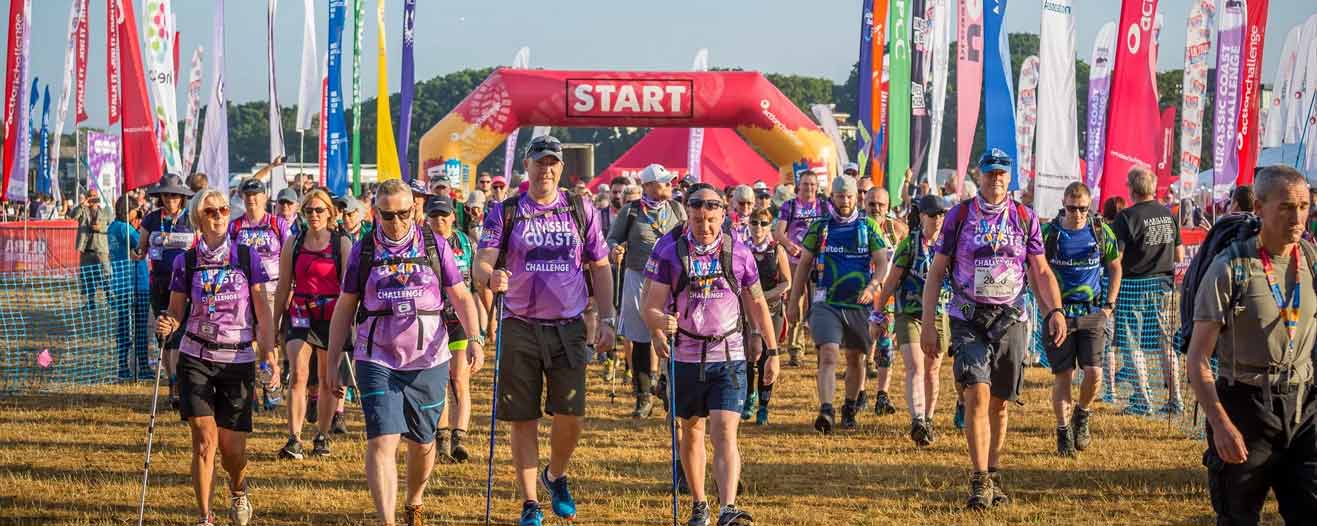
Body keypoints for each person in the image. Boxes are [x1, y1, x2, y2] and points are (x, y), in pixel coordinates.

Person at [324, 179, 484, 526]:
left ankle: (414, 501)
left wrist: (475, 338)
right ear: (375, 212)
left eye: (402, 213)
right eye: (387, 215)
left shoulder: (434, 245)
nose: (395, 222)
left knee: (423, 441)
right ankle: (388, 522)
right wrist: (332, 358)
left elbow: (461, 296)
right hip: (376, 356)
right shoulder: (364, 250)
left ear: (415, 209)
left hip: (428, 358)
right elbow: (345, 306)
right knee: (382, 439)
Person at [475, 134, 615, 526]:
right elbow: (481, 263)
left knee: (571, 415)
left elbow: (600, 266)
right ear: (527, 164)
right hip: (519, 323)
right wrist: (491, 276)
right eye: (540, 161)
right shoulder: (505, 212)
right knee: (524, 417)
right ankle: (530, 502)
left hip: (568, 326)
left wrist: (606, 319)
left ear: (560, 167)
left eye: (553, 162)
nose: (546, 169)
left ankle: (556, 474)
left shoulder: (579, 208)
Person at [922, 149, 1066, 510]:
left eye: (1002, 173)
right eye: (990, 173)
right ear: (979, 174)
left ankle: (993, 470)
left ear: (1010, 176)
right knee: (977, 393)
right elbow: (937, 272)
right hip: (968, 316)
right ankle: (979, 478)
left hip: (1010, 317)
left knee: (1000, 403)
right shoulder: (959, 215)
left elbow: (1041, 270)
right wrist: (928, 323)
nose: (996, 179)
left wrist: (1055, 310)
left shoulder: (1024, 217)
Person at [1186, 165, 1317, 524]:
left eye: (1305, 205)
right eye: (1287, 206)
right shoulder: (1230, 267)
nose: (1298, 216)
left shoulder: (1309, 258)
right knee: (1238, 517)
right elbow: (1197, 358)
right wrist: (1220, 423)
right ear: (1259, 208)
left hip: (1303, 406)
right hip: (1245, 405)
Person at [642, 185, 779, 526]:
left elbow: (757, 303)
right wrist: (661, 325)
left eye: (711, 219)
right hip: (686, 355)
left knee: (724, 431)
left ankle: (727, 508)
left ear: (723, 216)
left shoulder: (738, 252)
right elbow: (650, 306)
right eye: (697, 218)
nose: (704, 226)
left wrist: (772, 350)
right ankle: (700, 502)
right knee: (691, 431)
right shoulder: (670, 251)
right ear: (688, 215)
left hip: (729, 353)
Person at [153, 187, 280, 526]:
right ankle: (204, 517)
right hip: (196, 355)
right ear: (199, 218)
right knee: (204, 441)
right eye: (211, 211)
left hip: (237, 359)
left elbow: (263, 312)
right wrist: (168, 322)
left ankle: (238, 489)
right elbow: (176, 310)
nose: (219, 216)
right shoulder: (187, 261)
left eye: (223, 210)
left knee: (232, 451)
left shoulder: (245, 256)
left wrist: (269, 353)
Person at [785, 175, 889, 433]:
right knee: (828, 354)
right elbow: (804, 265)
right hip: (826, 302)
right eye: (840, 196)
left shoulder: (868, 227)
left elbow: (883, 263)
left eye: (850, 196)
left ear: (857, 198)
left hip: (858, 303)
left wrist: (872, 287)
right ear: (831, 197)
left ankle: (850, 407)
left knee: (857, 359)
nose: (845, 201)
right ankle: (826, 409)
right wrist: (793, 301)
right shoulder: (820, 227)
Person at [1039, 182, 1122, 456]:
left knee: (1095, 374)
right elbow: (1035, 271)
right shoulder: (1050, 233)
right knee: (1064, 376)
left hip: (1092, 313)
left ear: (1090, 207)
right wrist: (1048, 309)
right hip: (1060, 315)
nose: (1076, 213)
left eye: (1082, 208)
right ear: (1063, 204)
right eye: (1071, 208)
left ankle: (1082, 414)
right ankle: (1063, 432)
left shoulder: (1099, 231)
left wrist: (1108, 306)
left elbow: (1115, 267)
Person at [271, 189, 353, 460]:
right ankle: (294, 438)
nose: (314, 215)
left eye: (319, 210)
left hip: (331, 315)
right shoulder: (294, 242)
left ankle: (323, 434)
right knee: (298, 374)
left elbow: (350, 289)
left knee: (329, 379)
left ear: (330, 212)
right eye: (309, 211)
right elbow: (283, 286)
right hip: (300, 313)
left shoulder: (342, 243)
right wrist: (274, 325)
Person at [606, 163, 685, 418]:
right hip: (638, 275)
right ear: (648, 186)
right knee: (640, 337)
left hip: (670, 279)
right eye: (664, 182)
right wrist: (615, 249)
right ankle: (643, 396)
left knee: (671, 332)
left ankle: (666, 385)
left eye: (669, 181)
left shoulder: (676, 208)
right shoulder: (630, 211)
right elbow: (612, 239)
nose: (670, 185)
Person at [872, 195, 951, 447]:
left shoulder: (950, 244)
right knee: (915, 366)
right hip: (909, 311)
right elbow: (891, 282)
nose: (938, 220)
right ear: (922, 216)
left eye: (941, 214)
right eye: (932, 214)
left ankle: (928, 419)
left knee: (932, 370)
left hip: (939, 313)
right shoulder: (910, 245)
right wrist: (878, 313)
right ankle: (917, 420)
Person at [1110, 166, 1185, 415]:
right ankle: (1176, 400)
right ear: (1153, 188)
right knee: (1165, 344)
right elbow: (1180, 254)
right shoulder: (1168, 214)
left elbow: (1116, 258)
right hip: (1163, 287)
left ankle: (1143, 401)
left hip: (1132, 287)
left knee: (1132, 345)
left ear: (1131, 189)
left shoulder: (1125, 217)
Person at [425, 194, 486, 464]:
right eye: (434, 216)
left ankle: (459, 438)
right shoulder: (423, 245)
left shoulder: (465, 243)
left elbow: (475, 288)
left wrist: (482, 328)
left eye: (444, 215)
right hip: (434, 321)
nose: (439, 220)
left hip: (460, 319)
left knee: (459, 378)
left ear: (453, 217)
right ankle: (442, 438)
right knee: (439, 383)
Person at [141, 174, 197, 409]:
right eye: (166, 195)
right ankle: (172, 381)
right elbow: (140, 248)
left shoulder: (192, 219)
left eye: (174, 195)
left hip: (186, 283)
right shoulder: (152, 219)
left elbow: (201, 247)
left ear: (182, 197)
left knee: (181, 333)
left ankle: (179, 382)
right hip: (160, 283)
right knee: (165, 335)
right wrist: (136, 251)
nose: (170, 199)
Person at [774, 167, 832, 366]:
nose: (809, 188)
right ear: (799, 185)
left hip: (819, 263)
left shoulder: (824, 207)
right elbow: (779, 233)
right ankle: (795, 350)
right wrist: (789, 245)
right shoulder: (789, 206)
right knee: (795, 304)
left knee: (819, 305)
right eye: (806, 184)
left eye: (813, 185)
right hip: (795, 261)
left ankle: (820, 348)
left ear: (817, 187)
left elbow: (833, 229)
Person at [863, 187, 908, 415]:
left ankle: (882, 394)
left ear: (888, 206)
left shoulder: (898, 229)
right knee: (861, 345)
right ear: (864, 203)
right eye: (871, 203)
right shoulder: (857, 227)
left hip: (887, 296)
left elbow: (909, 258)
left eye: (880, 204)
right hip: (861, 294)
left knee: (885, 345)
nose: (876, 208)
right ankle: (860, 392)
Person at [743, 207, 790, 425]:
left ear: (769, 225)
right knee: (748, 356)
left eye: (763, 223)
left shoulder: (776, 249)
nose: (758, 227)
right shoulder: (742, 250)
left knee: (766, 358)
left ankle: (763, 405)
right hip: (748, 311)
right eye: (754, 222)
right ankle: (748, 397)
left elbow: (786, 282)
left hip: (772, 310)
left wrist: (763, 295)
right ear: (748, 225)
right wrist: (752, 299)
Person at [110, 194, 150, 380]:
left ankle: (123, 366)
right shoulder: (126, 229)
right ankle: (143, 367)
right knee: (140, 327)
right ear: (130, 210)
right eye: (136, 210)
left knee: (123, 327)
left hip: (120, 283)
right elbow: (142, 244)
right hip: (135, 282)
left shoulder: (112, 227)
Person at [73, 187, 114, 309]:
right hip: (86, 249)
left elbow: (112, 226)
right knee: (87, 277)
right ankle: (90, 302)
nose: (93, 198)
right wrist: (82, 204)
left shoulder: (106, 211)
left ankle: (111, 300)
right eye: (90, 195)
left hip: (101, 249)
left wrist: (100, 228)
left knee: (106, 276)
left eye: (95, 195)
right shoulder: (83, 210)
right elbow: (73, 216)